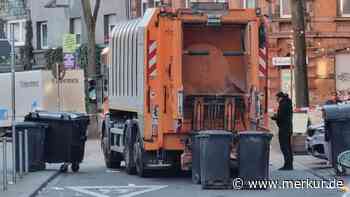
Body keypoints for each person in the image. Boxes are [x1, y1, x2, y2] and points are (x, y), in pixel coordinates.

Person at [272, 92, 294, 170]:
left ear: (279, 97)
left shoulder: (283, 104)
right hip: (288, 128)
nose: (276, 100)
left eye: (277, 98)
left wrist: (274, 117)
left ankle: (287, 165)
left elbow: (281, 117)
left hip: (284, 128)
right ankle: (290, 164)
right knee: (288, 146)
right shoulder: (288, 102)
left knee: (284, 146)